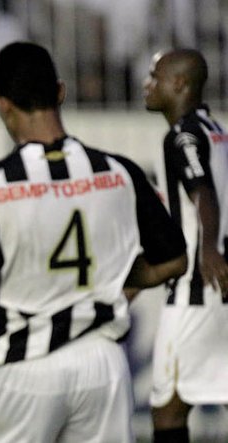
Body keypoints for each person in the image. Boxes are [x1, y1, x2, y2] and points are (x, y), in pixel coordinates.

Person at [0, 41, 188, 442]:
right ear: (60, 92)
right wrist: (115, 284)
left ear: (2, 104)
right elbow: (174, 261)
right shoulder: (119, 172)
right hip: (102, 363)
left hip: (22, 363)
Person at [143, 48, 228, 442]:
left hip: (197, 288)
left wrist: (208, 248)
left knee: (168, 410)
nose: (147, 84)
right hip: (222, 287)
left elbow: (203, 193)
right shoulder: (217, 130)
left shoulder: (181, 136)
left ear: (179, 83)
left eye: (155, 77)